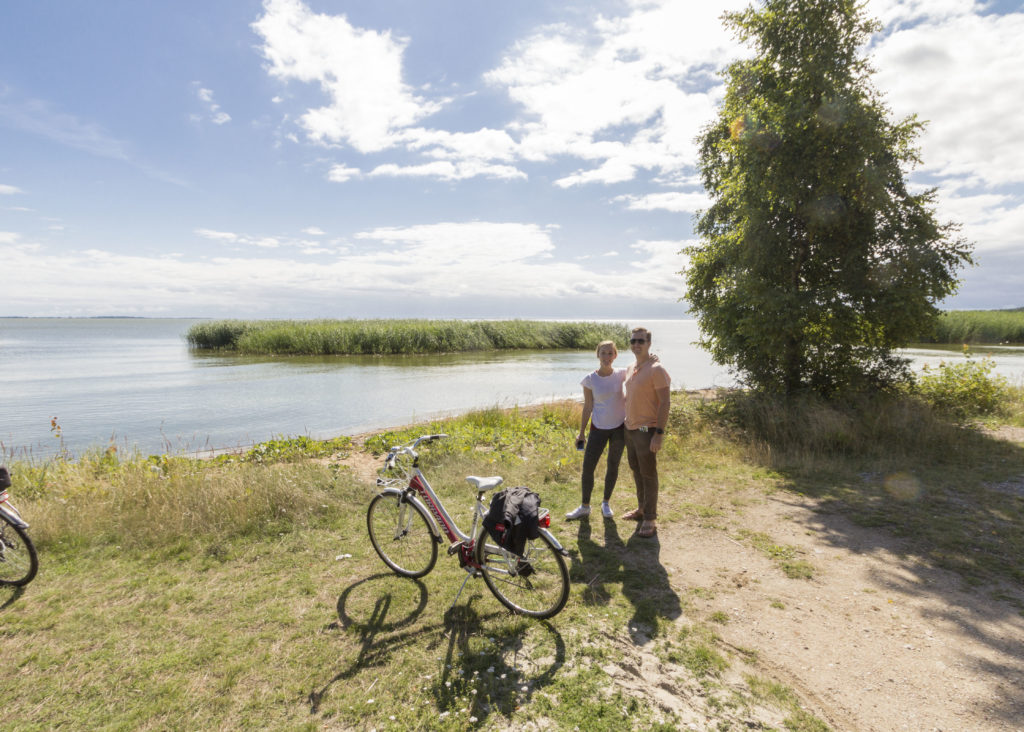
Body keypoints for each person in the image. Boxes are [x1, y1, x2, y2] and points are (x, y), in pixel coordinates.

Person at [566, 340, 626, 520]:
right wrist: (582, 432)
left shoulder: (623, 373)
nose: (607, 357)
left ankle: (606, 503)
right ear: (597, 355)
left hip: (619, 428)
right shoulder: (590, 379)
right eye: (603, 353)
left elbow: (641, 368)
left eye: (610, 353)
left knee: (613, 465)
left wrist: (652, 358)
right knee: (587, 468)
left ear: (615, 356)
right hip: (598, 428)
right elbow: (587, 406)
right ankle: (585, 506)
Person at [622, 326, 670, 538]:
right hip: (630, 428)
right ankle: (641, 509)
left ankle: (650, 518)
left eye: (641, 341)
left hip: (645, 428)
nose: (636, 344)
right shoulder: (632, 366)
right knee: (636, 470)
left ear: (649, 343)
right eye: (633, 341)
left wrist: (658, 433)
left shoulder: (656, 369)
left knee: (648, 474)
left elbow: (665, 402)